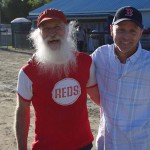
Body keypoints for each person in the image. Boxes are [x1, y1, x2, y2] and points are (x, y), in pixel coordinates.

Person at [14, 8, 100, 150]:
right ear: (38, 34)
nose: (52, 33)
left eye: (57, 27)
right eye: (46, 29)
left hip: (83, 145)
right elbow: (22, 111)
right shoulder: (27, 72)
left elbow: (97, 97)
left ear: (67, 30)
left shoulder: (85, 62)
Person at [91, 6, 150, 150]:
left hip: (140, 144)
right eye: (121, 30)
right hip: (107, 144)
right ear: (111, 30)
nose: (126, 36)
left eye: (132, 31)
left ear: (140, 32)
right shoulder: (100, 56)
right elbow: (75, 66)